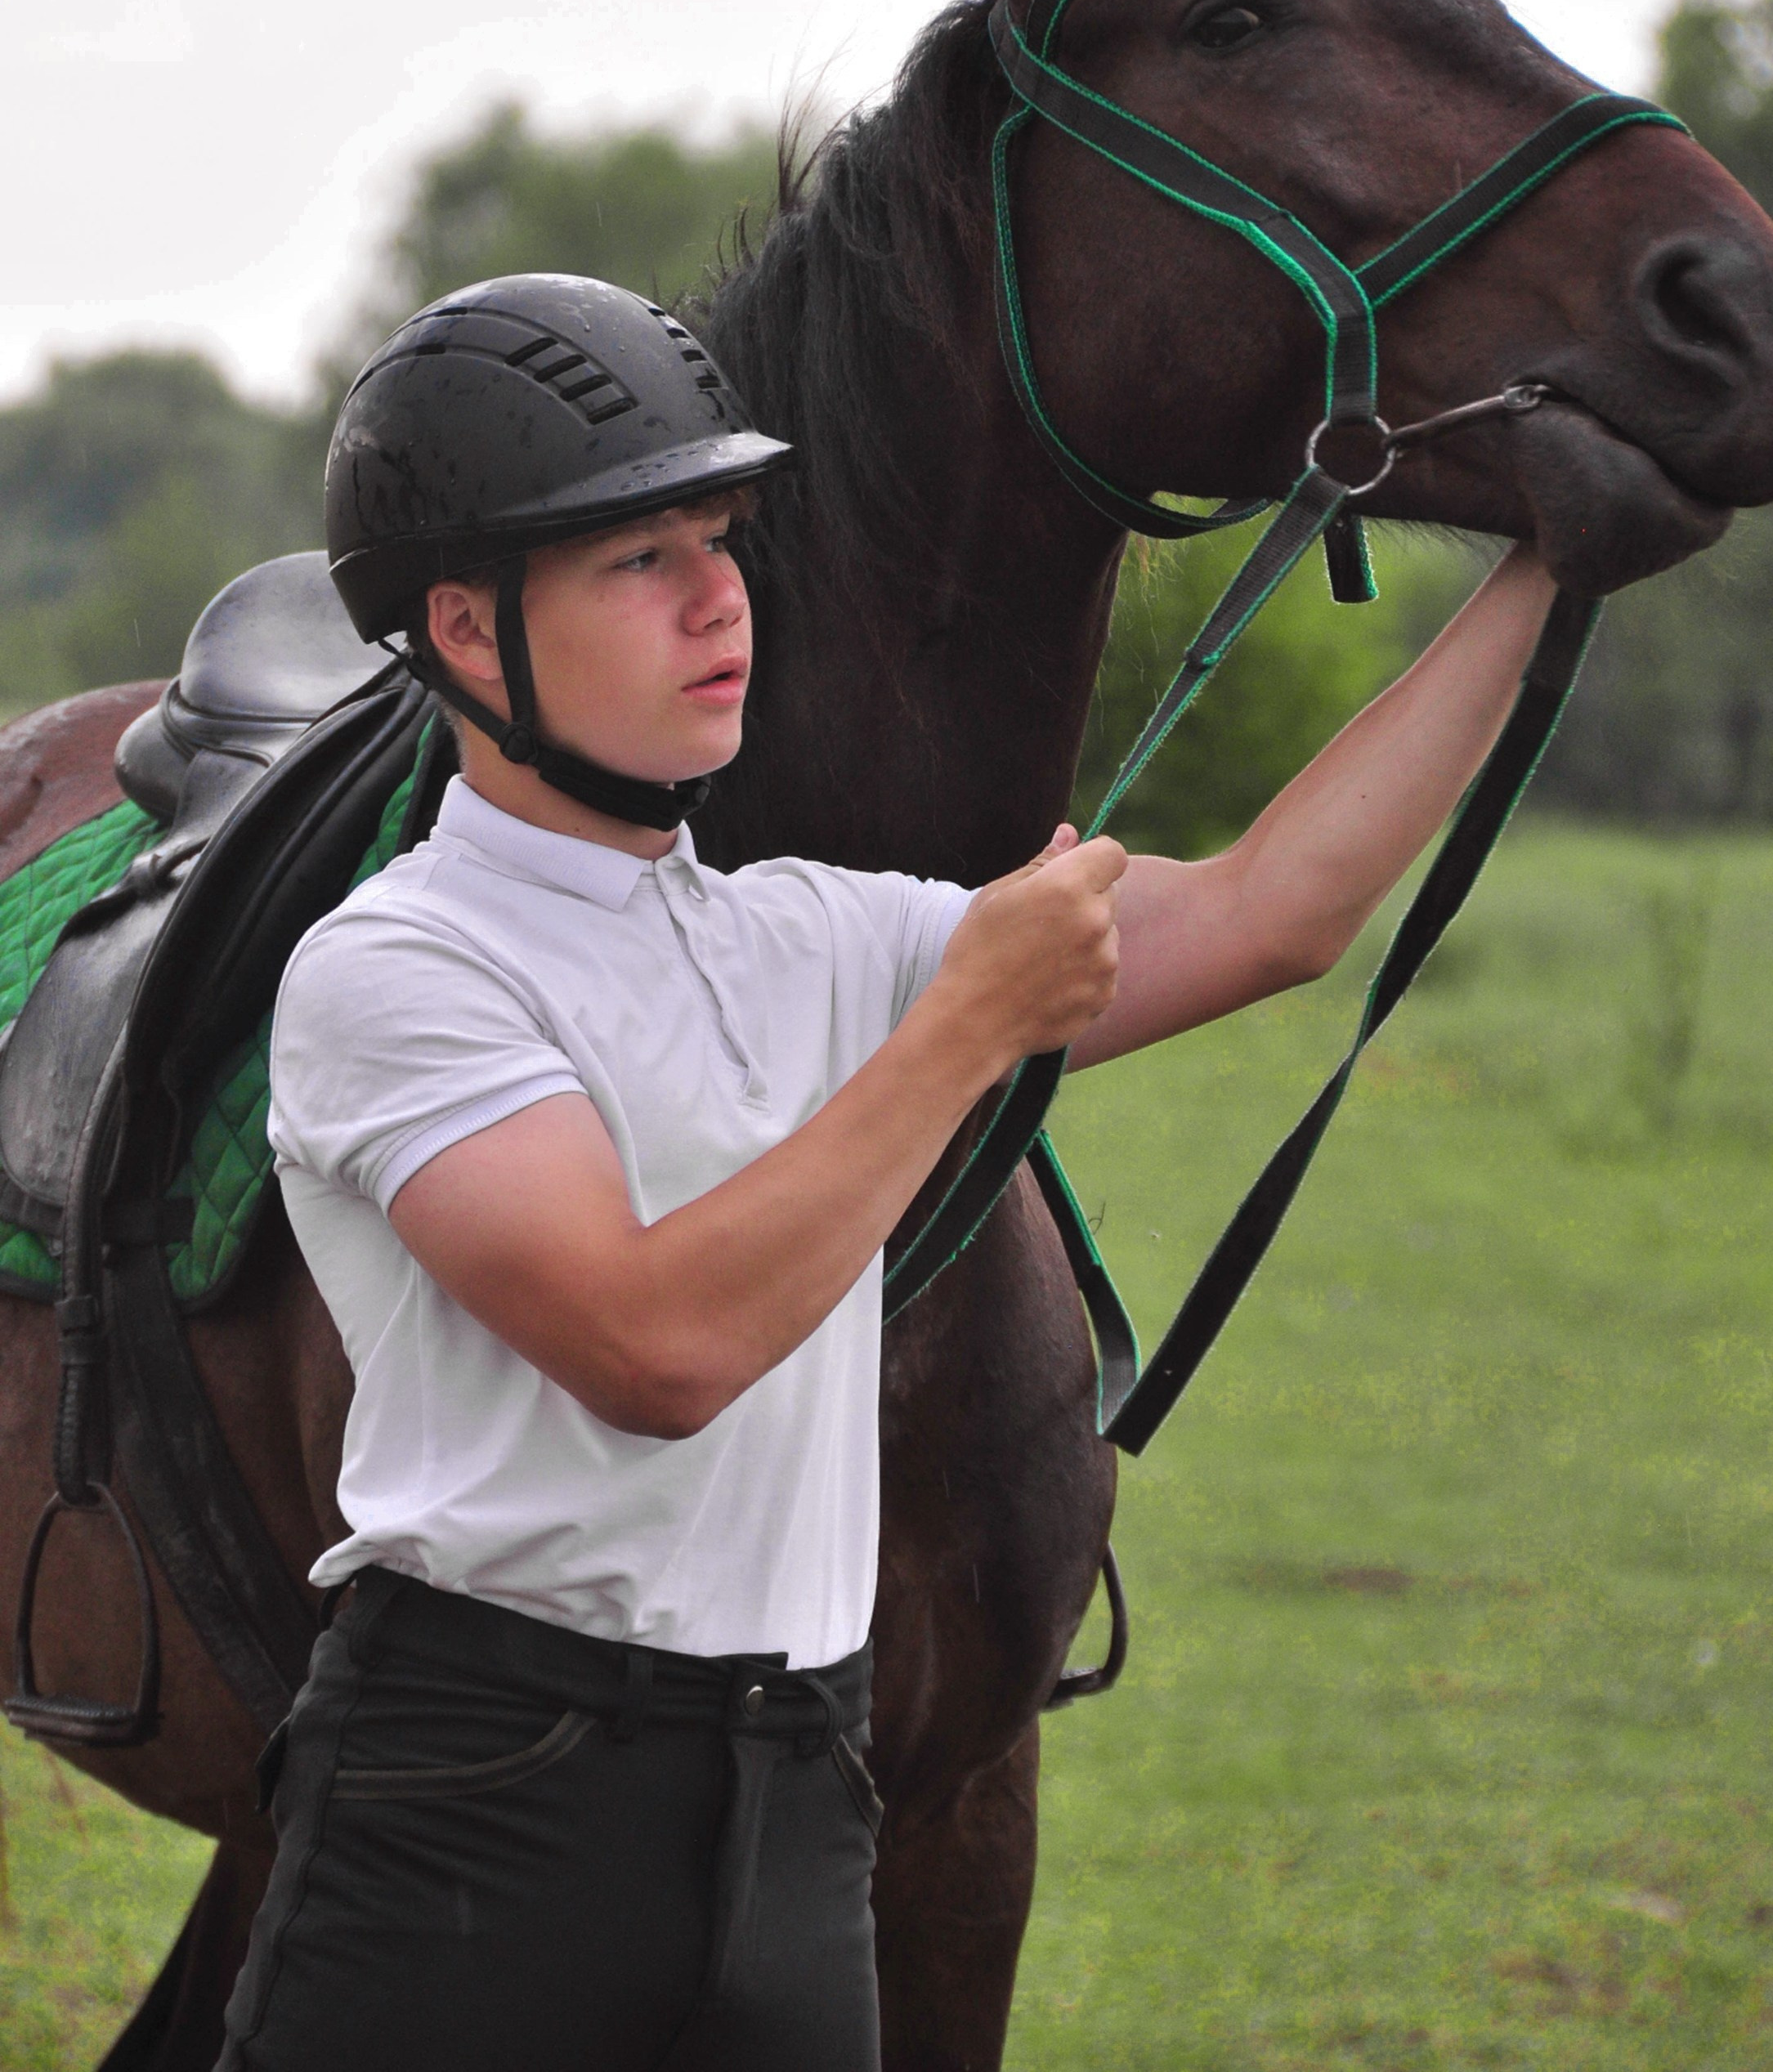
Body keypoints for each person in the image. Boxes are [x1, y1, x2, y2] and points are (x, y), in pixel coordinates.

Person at [218, 272, 1556, 2072]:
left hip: (798, 1795)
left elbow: (1264, 914)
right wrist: (953, 1036)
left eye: (720, 538)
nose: (720, 599)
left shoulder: (814, 936)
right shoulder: (397, 970)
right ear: (465, 632)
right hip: (479, 1811)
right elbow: (655, 1351)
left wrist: (1550, 571)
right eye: (636, 560)